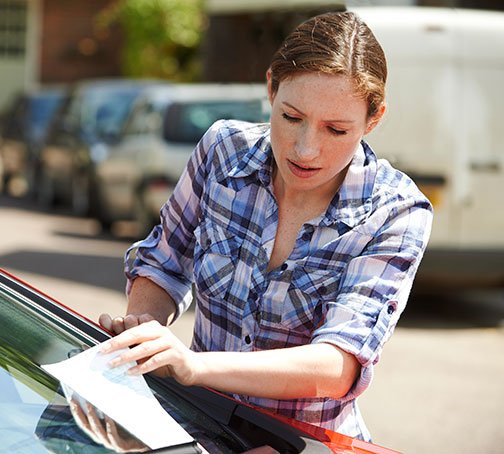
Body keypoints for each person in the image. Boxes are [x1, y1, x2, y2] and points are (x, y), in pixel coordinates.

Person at [99, 11, 433, 442]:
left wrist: (194, 366)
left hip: (304, 442)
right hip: (199, 424)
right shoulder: (222, 151)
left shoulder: (397, 211)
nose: (306, 148)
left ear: (374, 119)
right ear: (271, 87)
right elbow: (164, 260)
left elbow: (338, 364)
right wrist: (142, 331)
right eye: (291, 117)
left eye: (336, 129)